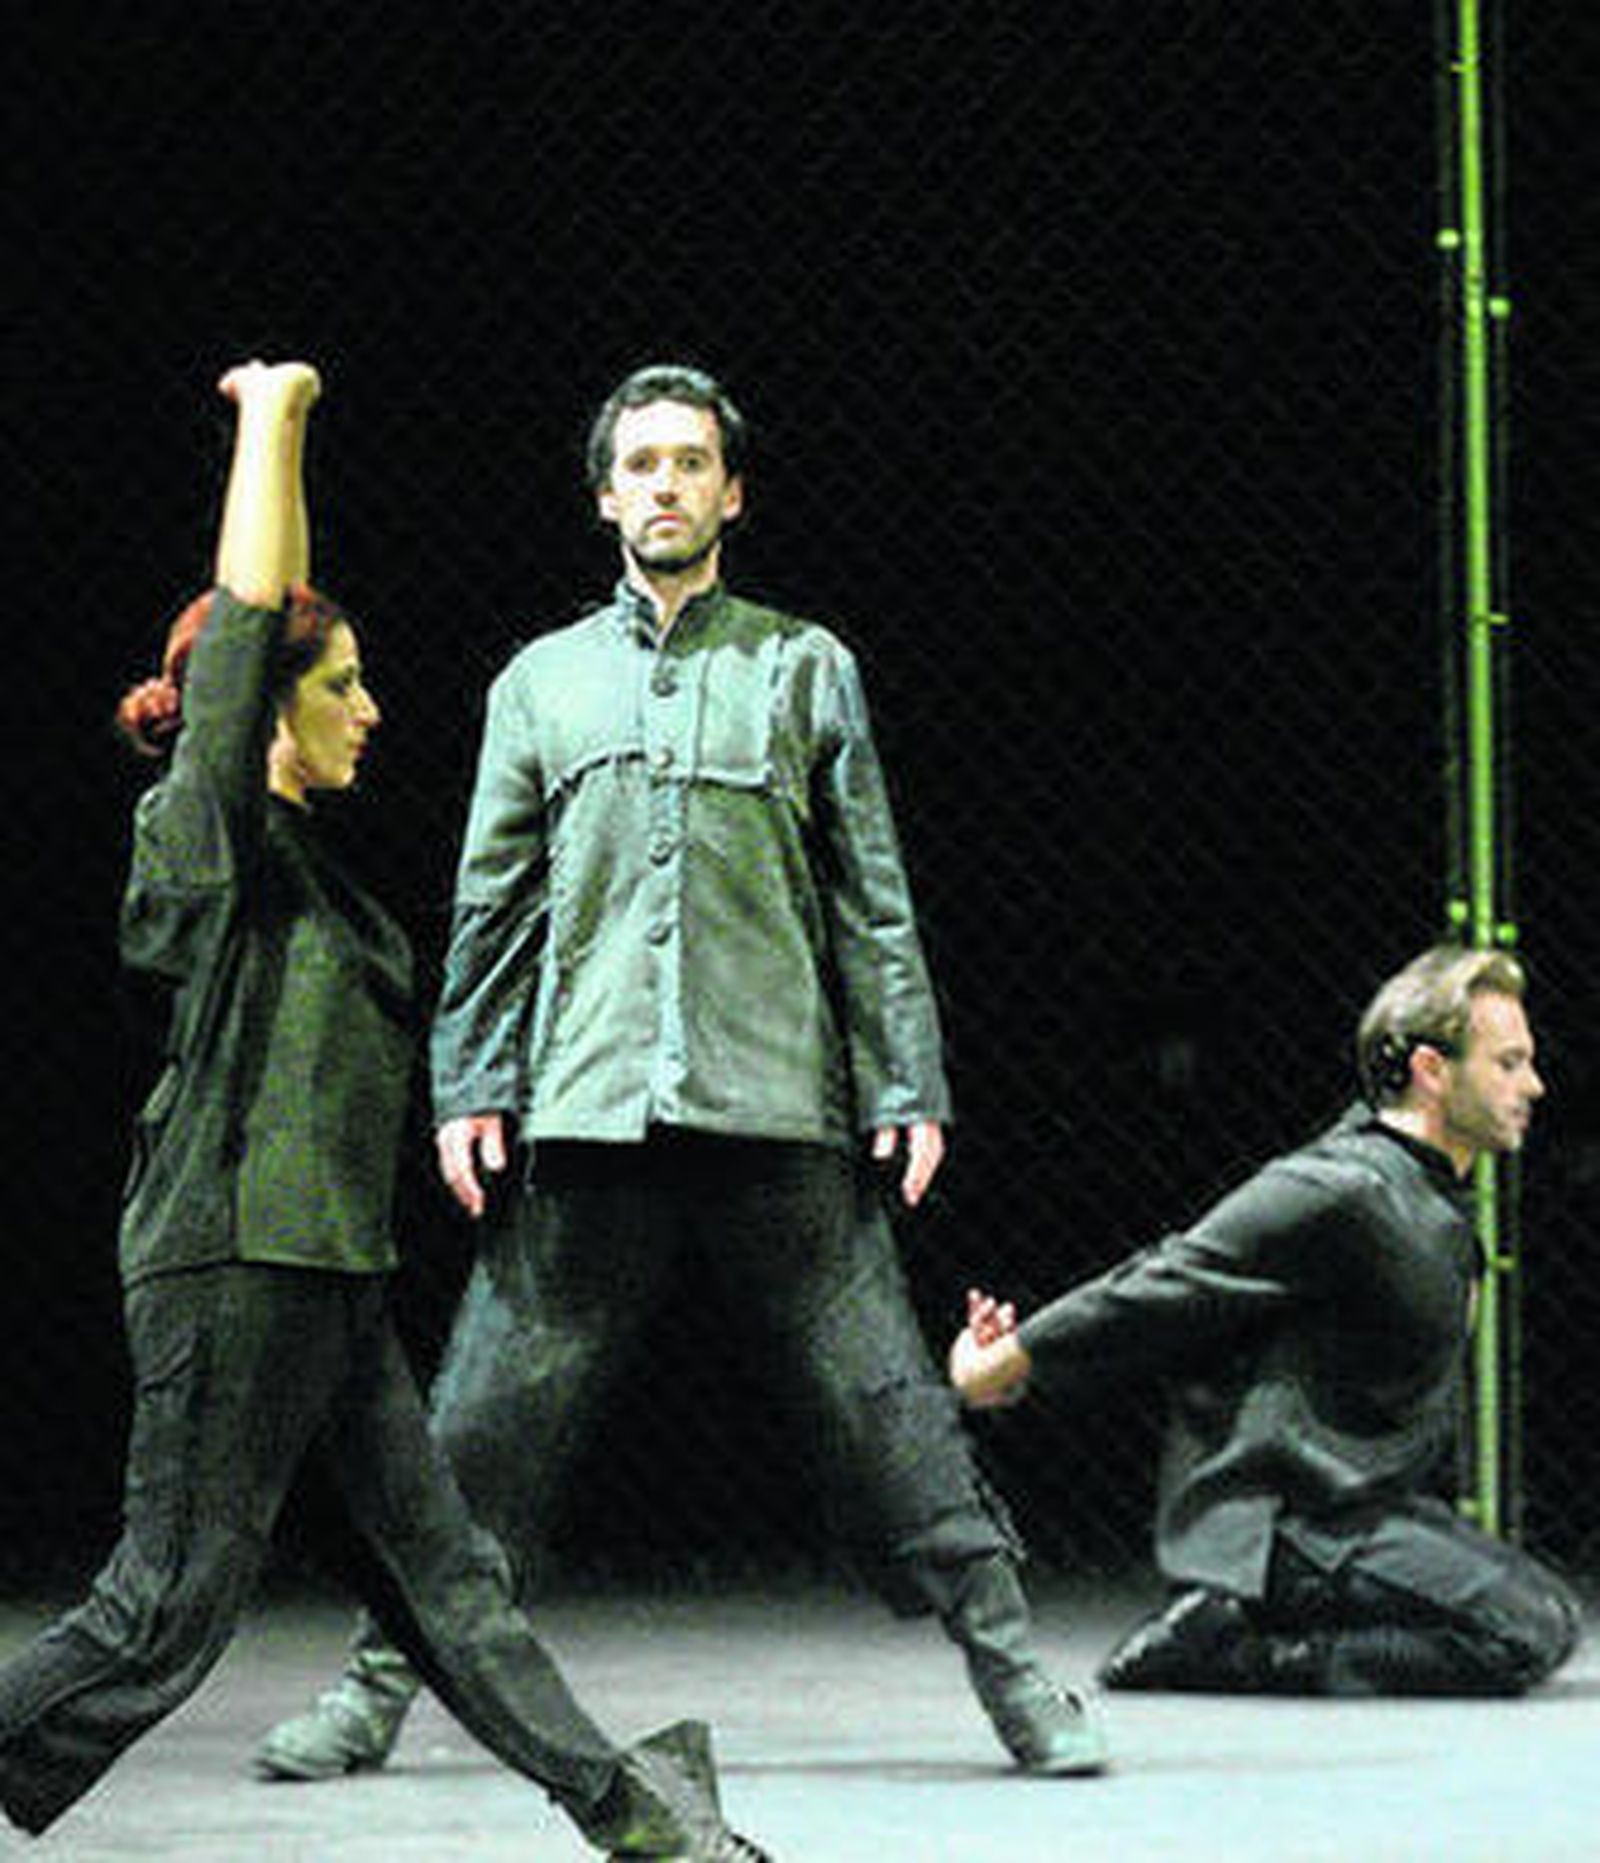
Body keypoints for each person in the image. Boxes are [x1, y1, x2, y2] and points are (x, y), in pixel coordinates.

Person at [255, 361, 1107, 1785]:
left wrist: (907, 1081)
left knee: (889, 1410)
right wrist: (470, 1085)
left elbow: (871, 897)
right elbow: (492, 907)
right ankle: (373, 1689)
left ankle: (1020, 1682)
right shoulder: (538, 682)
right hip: (588, 1111)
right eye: (641, 463)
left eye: (690, 462)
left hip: (778, 1107)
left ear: (732, 492)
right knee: (483, 1428)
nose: (666, 483)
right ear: (606, 496)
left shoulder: (805, 665)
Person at [0, 361, 770, 1861]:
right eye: (340, 682)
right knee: (161, 1612)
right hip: (237, 1260)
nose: (371, 707)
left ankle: (646, 1828)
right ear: (264, 713)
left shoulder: (313, 873)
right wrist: (273, 421)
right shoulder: (207, 836)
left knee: (451, 1589)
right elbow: (245, 624)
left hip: (330, 1279)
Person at [949, 943, 1583, 1696]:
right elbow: (1167, 1276)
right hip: (1280, 1524)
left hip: (1354, 1511)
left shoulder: (1428, 1191)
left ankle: (1235, 1624)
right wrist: (1008, 1360)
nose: (1533, 1084)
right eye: (1508, 1063)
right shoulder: (1342, 1187)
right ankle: (1231, 1650)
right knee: (1522, 1631)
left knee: (1551, 1616)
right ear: (1431, 1070)